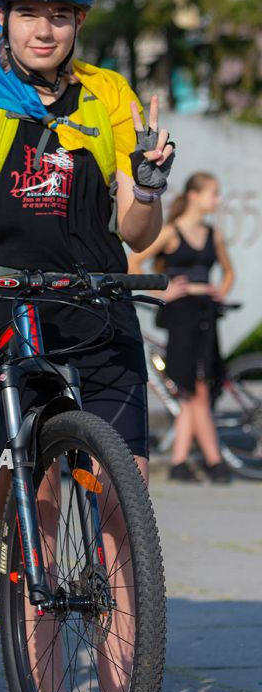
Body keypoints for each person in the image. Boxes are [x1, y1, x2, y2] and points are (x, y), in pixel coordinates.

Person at [0, 0, 186, 692]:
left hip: (99, 307)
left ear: (78, 23)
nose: (48, 28)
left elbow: (137, 233)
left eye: (64, 15)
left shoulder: (107, 95)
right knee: (36, 507)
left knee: (122, 509)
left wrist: (147, 181)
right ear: (3, 18)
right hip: (10, 313)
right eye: (32, 13)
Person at [129, 173, 235, 482]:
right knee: (194, 387)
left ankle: (178, 462)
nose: (217, 201)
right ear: (193, 195)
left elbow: (228, 272)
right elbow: (134, 262)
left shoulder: (212, 233)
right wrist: (163, 292)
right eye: (213, 194)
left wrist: (220, 291)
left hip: (206, 313)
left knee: (197, 388)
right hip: (181, 314)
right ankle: (214, 461)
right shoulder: (172, 232)